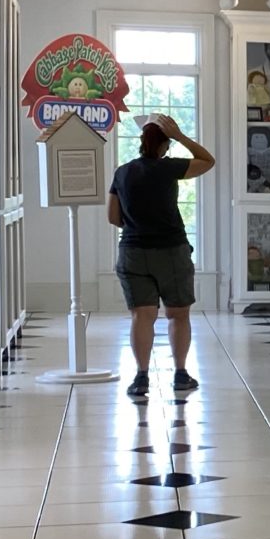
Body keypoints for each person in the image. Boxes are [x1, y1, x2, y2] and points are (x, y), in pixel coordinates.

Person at [106, 113, 214, 400]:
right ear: (164, 145)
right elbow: (208, 160)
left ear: (141, 142)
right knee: (178, 315)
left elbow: (113, 217)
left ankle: (141, 378)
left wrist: (138, 225)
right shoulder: (170, 168)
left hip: (132, 252)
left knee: (142, 315)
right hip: (171, 251)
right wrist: (181, 135)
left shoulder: (122, 172)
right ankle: (180, 374)